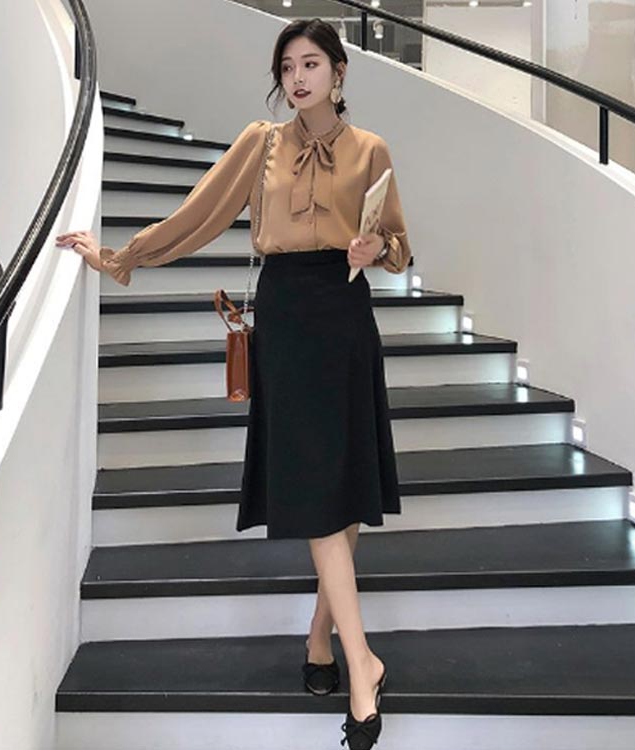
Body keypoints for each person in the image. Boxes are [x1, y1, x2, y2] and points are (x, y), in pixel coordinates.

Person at [56, 17, 411, 749]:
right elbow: (200, 214)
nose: (298, 78)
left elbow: (402, 248)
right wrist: (122, 255)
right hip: (287, 317)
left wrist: (377, 247)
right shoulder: (263, 143)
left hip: (346, 316)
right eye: (288, 67)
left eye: (311, 64)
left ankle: (321, 640)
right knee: (318, 489)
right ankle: (362, 663)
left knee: (342, 487)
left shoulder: (371, 149)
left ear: (339, 72)